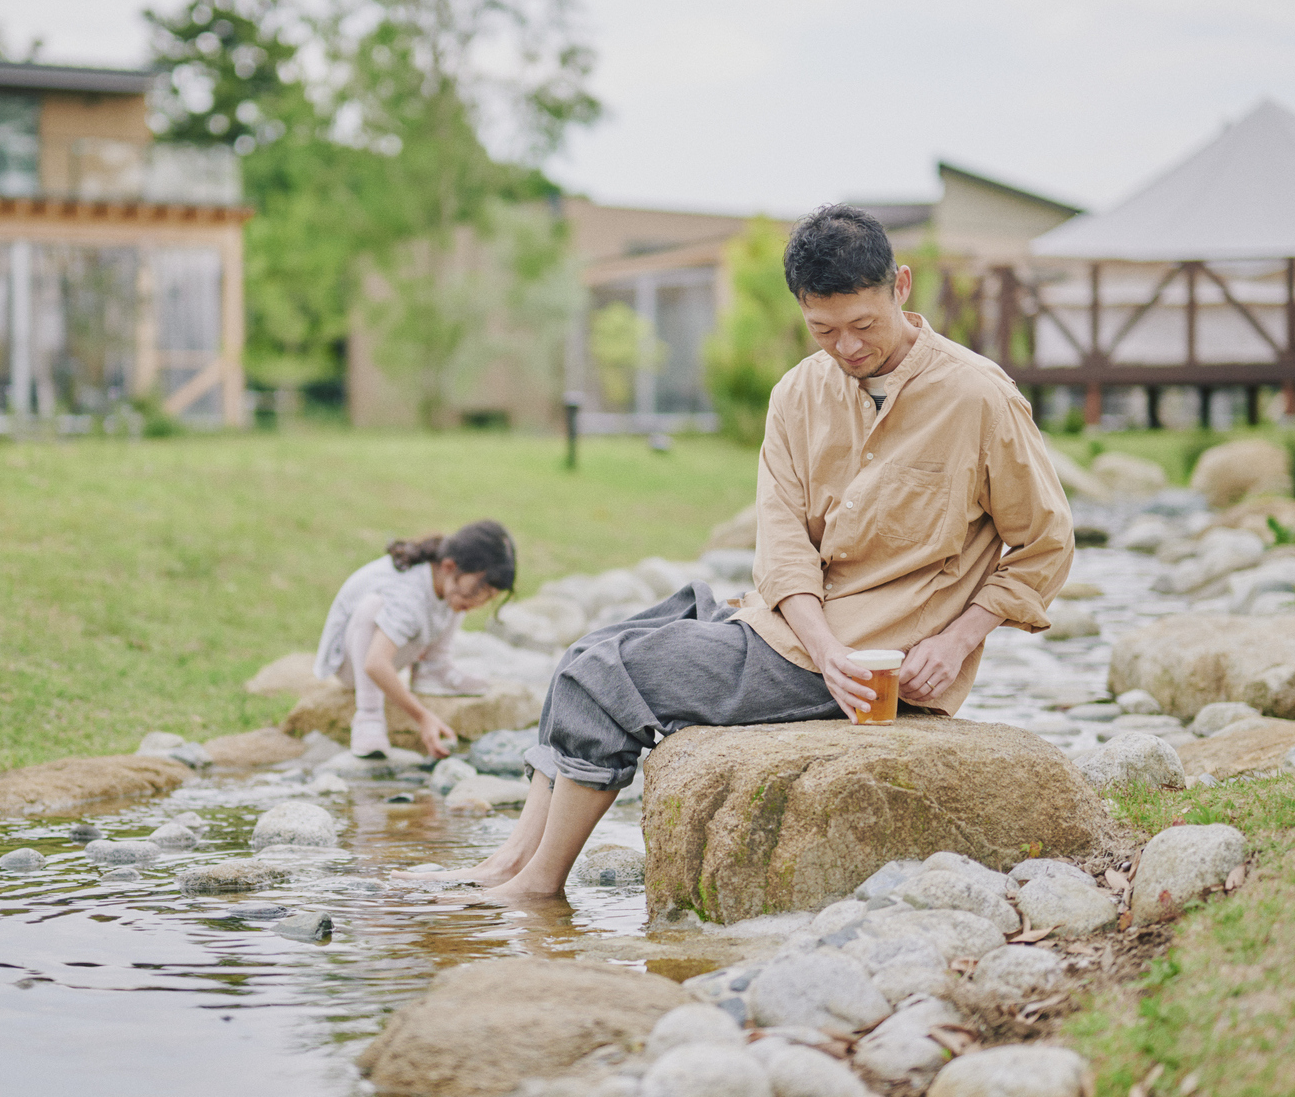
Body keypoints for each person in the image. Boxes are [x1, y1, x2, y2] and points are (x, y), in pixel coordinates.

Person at [397, 204, 1074, 899]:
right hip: (798, 635)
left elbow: (1046, 541)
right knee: (586, 654)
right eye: (824, 330)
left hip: (877, 659)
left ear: (900, 286)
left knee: (608, 676)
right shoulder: (796, 396)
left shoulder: (979, 398)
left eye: (863, 325)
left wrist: (958, 640)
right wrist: (822, 646)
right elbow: (781, 546)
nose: (846, 347)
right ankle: (508, 859)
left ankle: (538, 885)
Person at [315, 520, 519, 759]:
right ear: (449, 566)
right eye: (478, 589)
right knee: (373, 607)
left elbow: (457, 597)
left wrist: (466, 596)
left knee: (457, 599)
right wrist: (423, 717)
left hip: (390, 652)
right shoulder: (408, 593)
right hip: (353, 664)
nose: (481, 599)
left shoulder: (442, 576)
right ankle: (368, 714)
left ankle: (434, 667)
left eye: (490, 595)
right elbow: (374, 663)